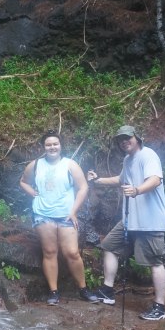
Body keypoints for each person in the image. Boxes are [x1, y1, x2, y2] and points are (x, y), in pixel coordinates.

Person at [86, 124, 165, 320]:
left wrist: (137, 190)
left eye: (127, 137)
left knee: (154, 262)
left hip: (149, 221)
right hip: (130, 219)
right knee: (109, 246)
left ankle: (160, 307)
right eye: (120, 139)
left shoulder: (148, 155)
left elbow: (156, 179)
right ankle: (107, 290)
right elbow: (120, 179)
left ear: (136, 138)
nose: (124, 141)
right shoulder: (128, 160)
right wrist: (97, 180)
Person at [19, 130, 101, 305]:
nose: (52, 147)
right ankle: (54, 292)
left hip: (65, 214)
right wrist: (33, 192)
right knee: (49, 252)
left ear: (61, 146)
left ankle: (83, 289)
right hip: (43, 214)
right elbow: (23, 181)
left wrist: (73, 211)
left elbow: (83, 187)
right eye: (48, 144)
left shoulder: (70, 165)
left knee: (72, 252)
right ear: (43, 147)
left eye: (55, 144)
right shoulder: (35, 165)